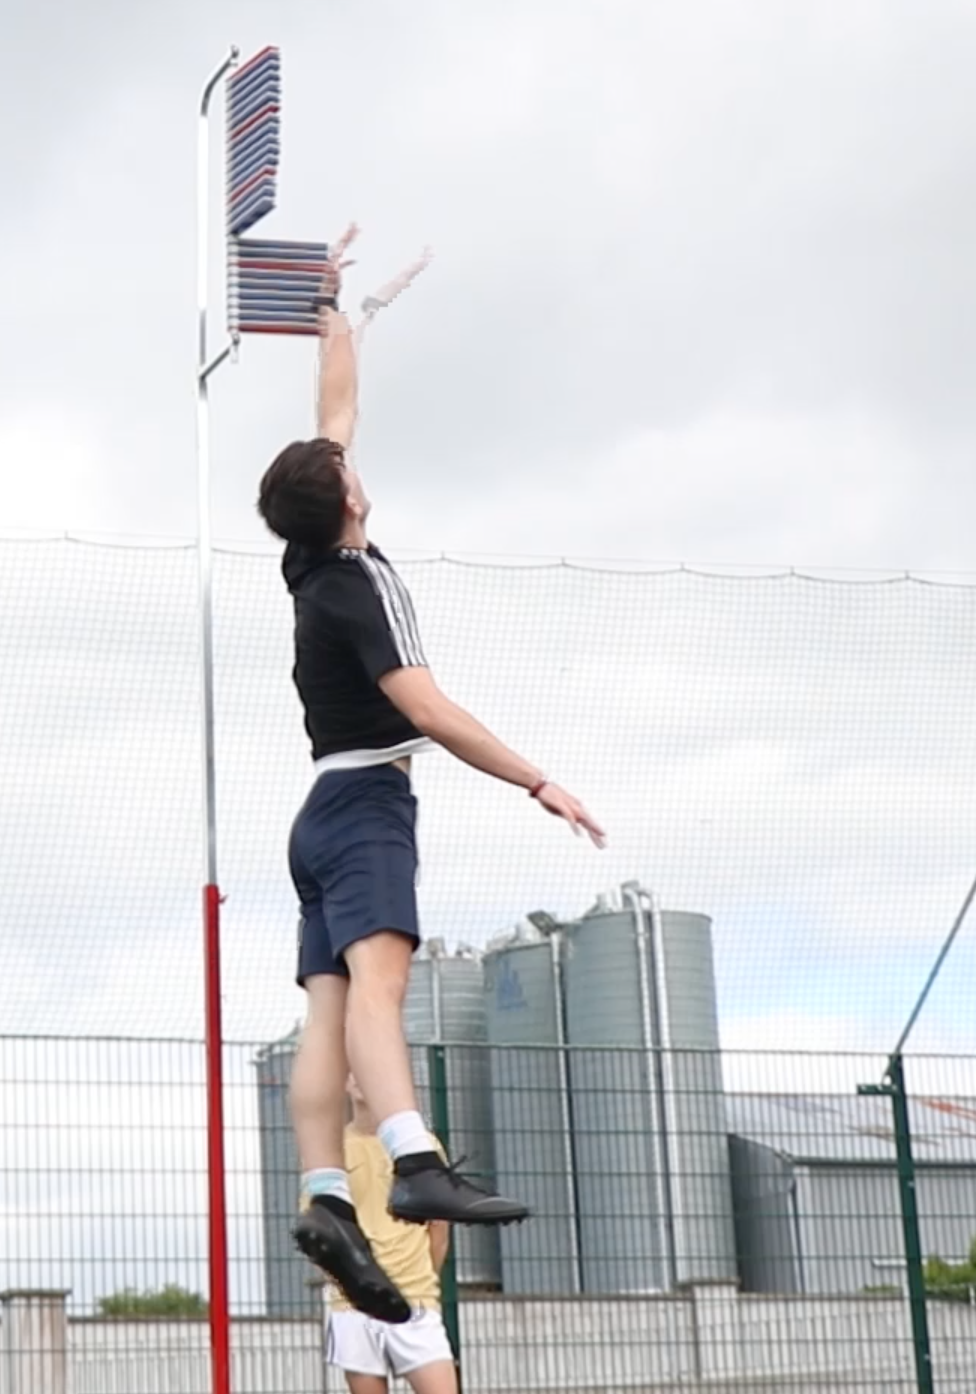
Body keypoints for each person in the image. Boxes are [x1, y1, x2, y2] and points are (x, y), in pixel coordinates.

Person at [257, 225, 607, 1323]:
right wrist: (536, 778)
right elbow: (427, 709)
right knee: (379, 989)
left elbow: (335, 411)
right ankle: (413, 1160)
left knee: (325, 1013)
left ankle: (326, 1193)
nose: (353, 459)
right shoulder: (358, 584)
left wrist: (330, 312)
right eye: (346, 470)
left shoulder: (307, 554)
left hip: (315, 812)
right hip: (366, 799)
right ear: (348, 501)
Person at [321, 1076, 458, 1394]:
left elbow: (439, 1228)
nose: (360, 1076)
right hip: (354, 1306)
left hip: (414, 1299)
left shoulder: (419, 1145)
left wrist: (420, 1281)